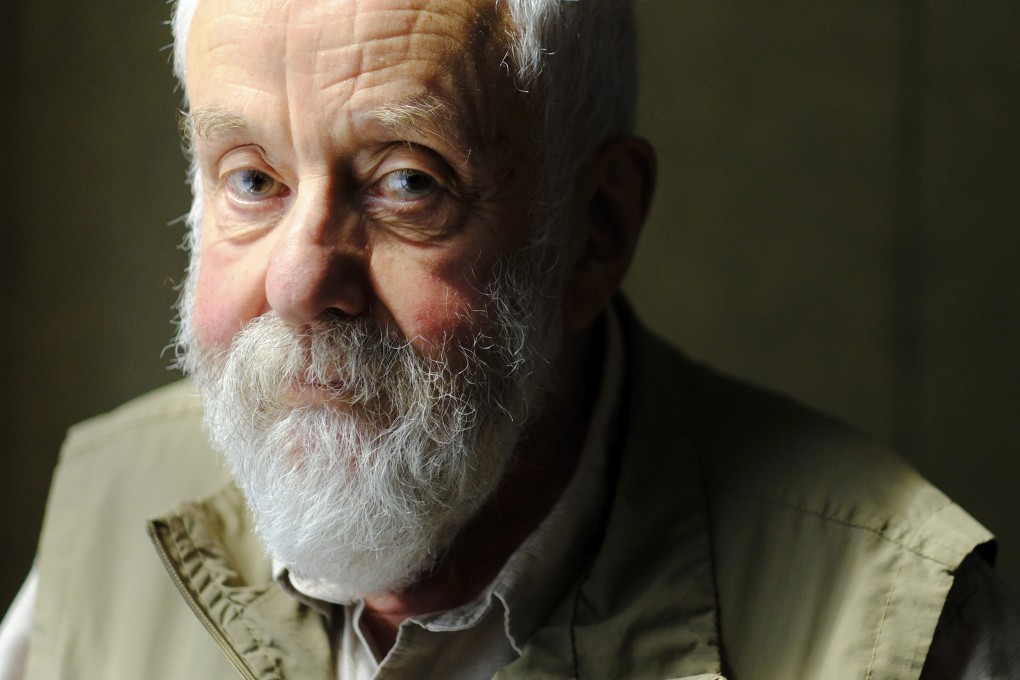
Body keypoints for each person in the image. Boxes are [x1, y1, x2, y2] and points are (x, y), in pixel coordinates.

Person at [1, 0, 1017, 678]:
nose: (300, 282)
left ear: (595, 230)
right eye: (252, 179)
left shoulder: (894, 631)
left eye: (407, 182)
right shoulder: (106, 511)